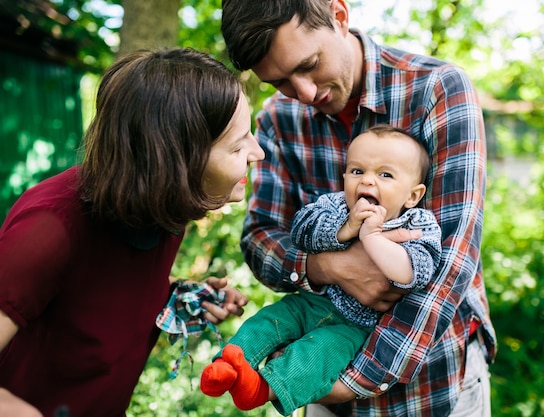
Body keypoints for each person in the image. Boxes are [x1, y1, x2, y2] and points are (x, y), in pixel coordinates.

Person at [220, 0, 497, 416]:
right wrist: (327, 267)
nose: (305, 93)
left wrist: (354, 383)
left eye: (310, 63)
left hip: (432, 383)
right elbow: (259, 236)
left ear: (339, 15)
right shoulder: (279, 118)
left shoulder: (437, 89)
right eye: (281, 82)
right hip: (321, 360)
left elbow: (452, 263)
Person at [0, 47, 265, 417]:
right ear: (177, 161)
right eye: (238, 145)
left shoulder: (166, 206)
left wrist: (177, 295)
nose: (258, 152)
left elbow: (100, 291)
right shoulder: (48, 230)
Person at [200, 125, 442, 416]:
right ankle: (226, 365)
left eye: (385, 175)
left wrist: (373, 239)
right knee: (269, 320)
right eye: (356, 171)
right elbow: (301, 230)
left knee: (318, 354)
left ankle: (260, 390)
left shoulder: (418, 224)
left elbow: (415, 272)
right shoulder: (337, 205)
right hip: (313, 301)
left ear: (413, 195)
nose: (367, 181)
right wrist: (346, 228)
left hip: (354, 327)